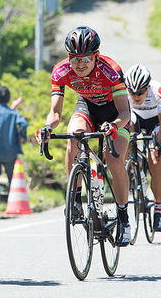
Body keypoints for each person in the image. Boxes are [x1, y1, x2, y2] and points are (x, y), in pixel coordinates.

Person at [35, 26, 132, 246]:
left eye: (86, 58)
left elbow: (125, 112)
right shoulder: (60, 71)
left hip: (115, 113)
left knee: (114, 160)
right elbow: (56, 113)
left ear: (96, 56)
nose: (80, 64)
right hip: (87, 107)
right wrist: (47, 127)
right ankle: (76, 199)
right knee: (74, 137)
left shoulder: (111, 70)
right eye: (75, 59)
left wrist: (115, 126)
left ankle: (124, 218)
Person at [124, 63, 161, 231]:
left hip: (155, 121)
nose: (136, 96)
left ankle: (159, 210)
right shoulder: (123, 91)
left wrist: (157, 144)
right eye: (132, 92)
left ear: (148, 87)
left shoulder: (157, 91)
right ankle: (134, 163)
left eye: (140, 93)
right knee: (126, 133)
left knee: (155, 161)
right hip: (136, 118)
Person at [0, 86, 28, 204]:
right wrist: (22, 136)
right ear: (8, 98)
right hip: (10, 150)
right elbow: (23, 124)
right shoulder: (13, 113)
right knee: (12, 179)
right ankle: (12, 202)